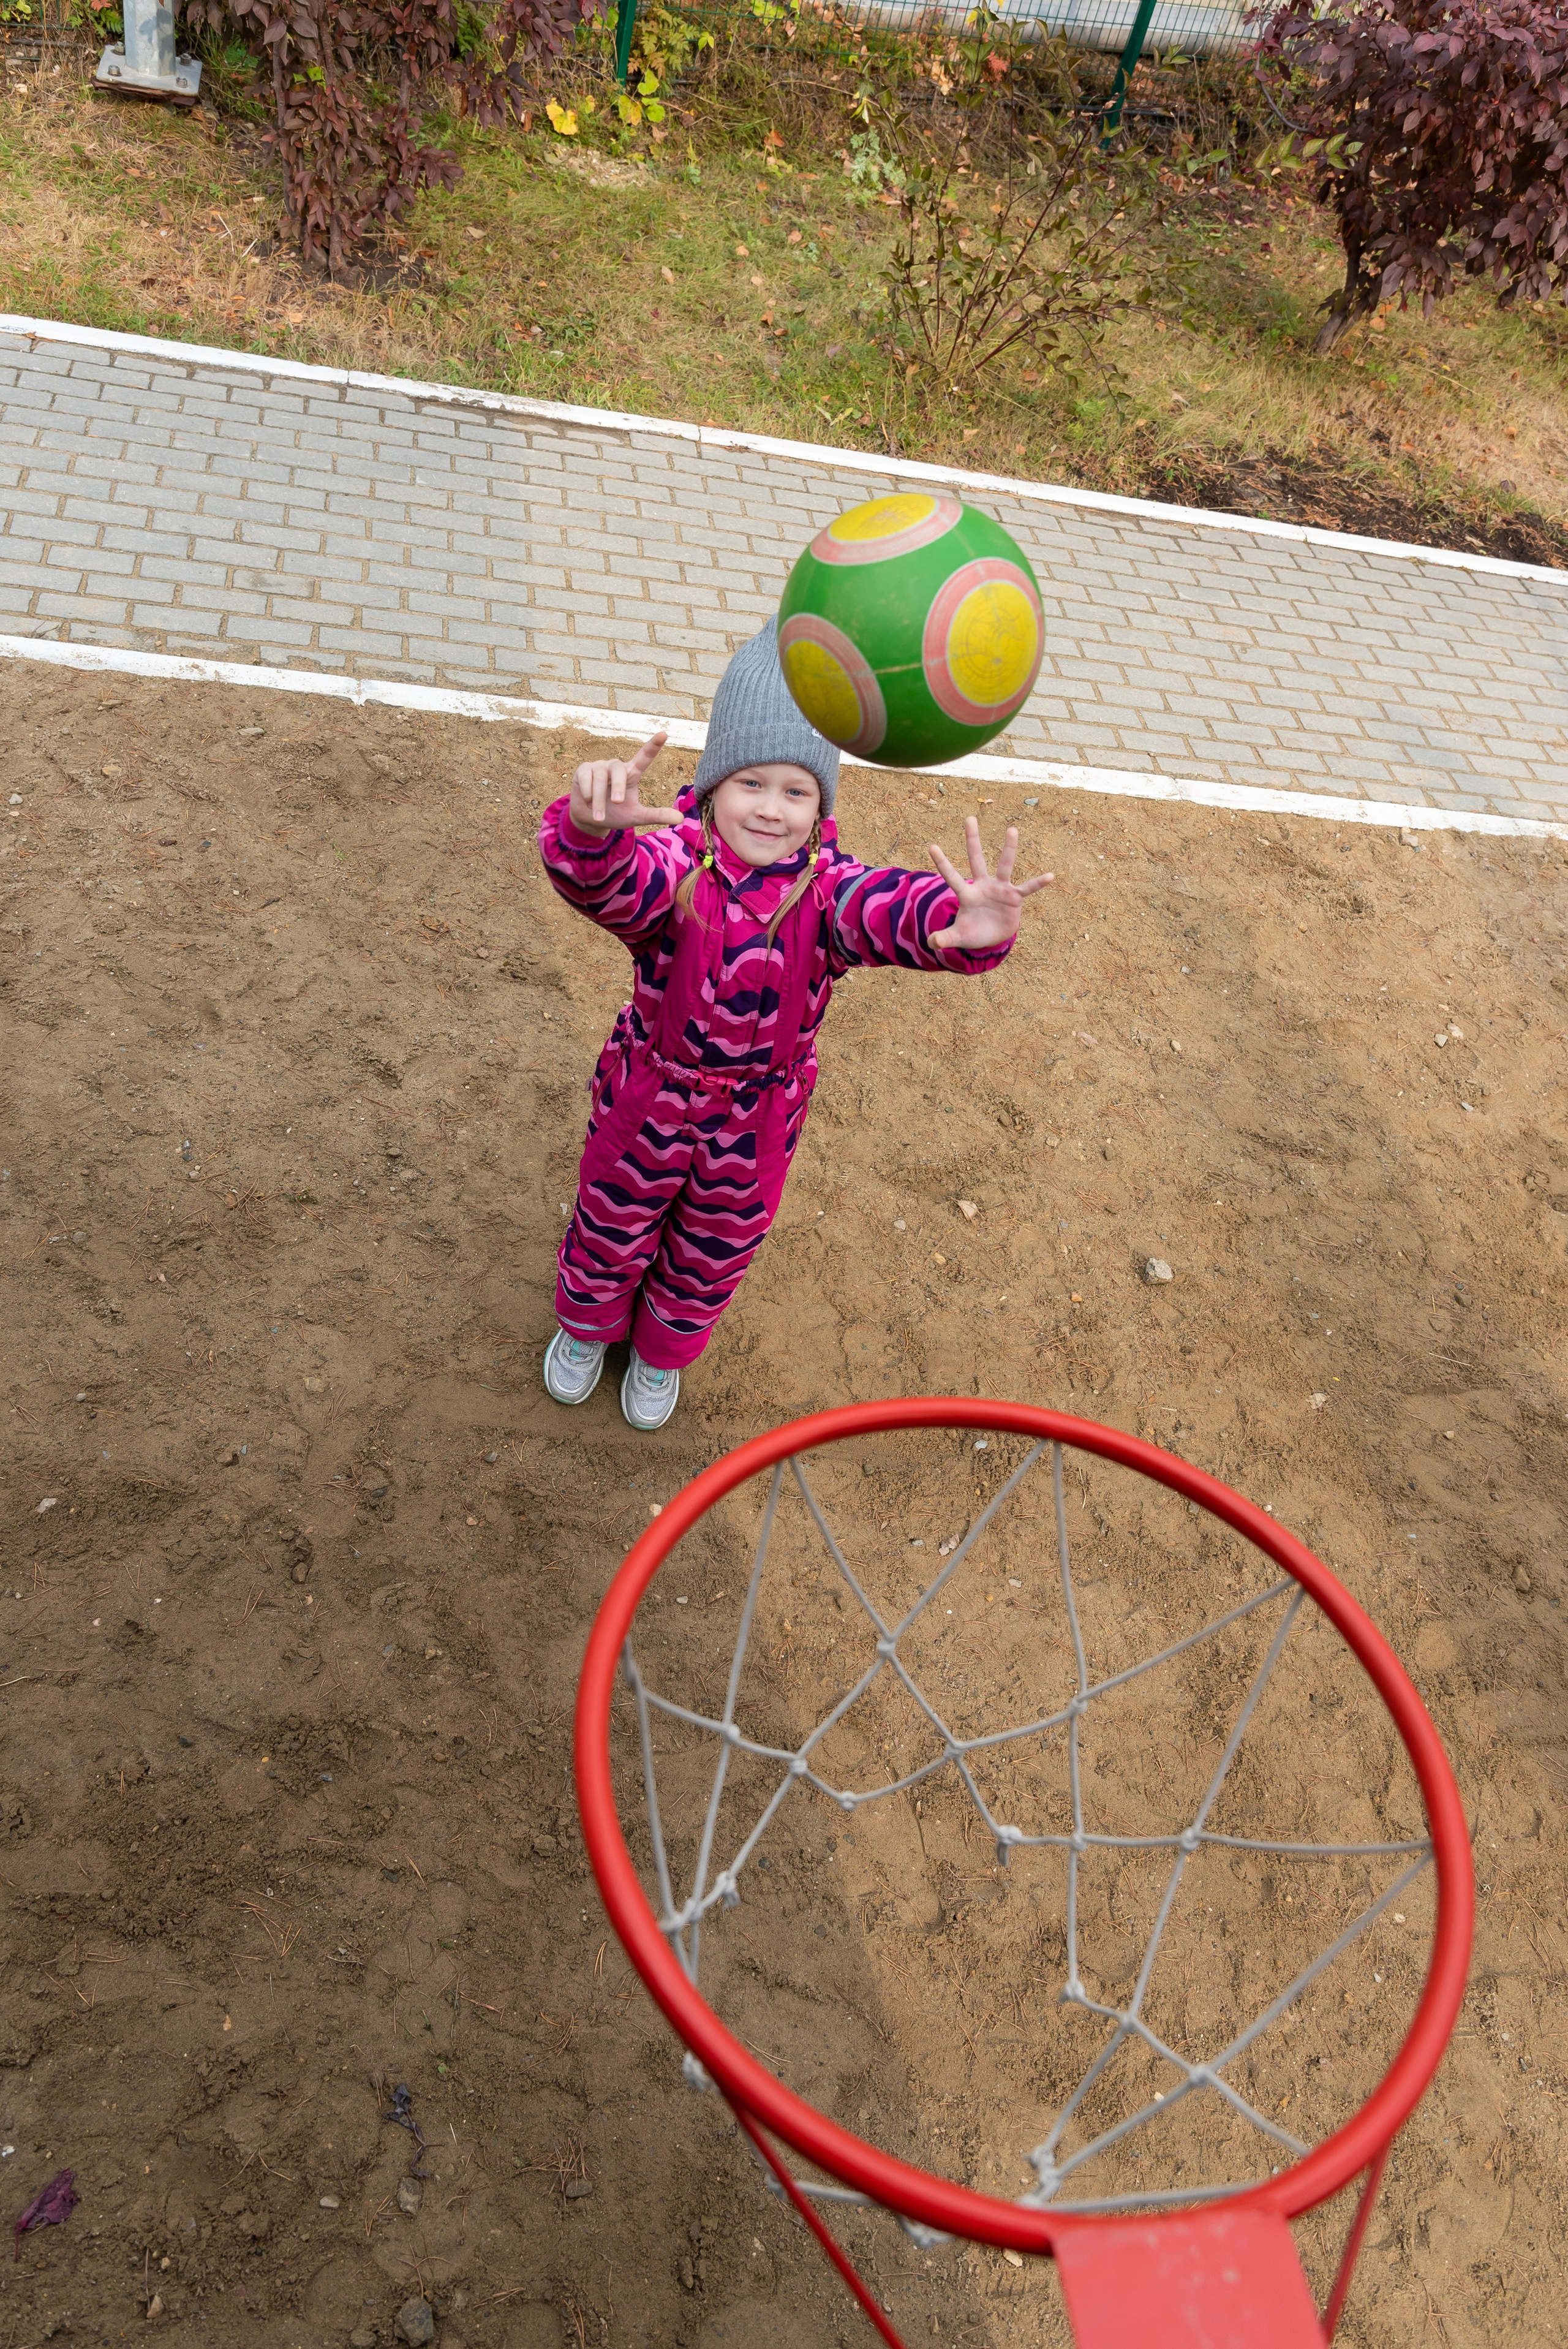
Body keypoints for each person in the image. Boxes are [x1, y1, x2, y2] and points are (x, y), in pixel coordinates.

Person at [536, 620, 1051, 1431]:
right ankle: (585, 1328)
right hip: (649, 1097)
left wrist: (959, 919)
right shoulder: (675, 861)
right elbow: (605, 885)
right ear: (712, 785)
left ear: (822, 803)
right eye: (751, 783)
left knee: (713, 1248)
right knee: (613, 1218)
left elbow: (891, 908)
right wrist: (592, 831)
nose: (772, 810)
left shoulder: (828, 892)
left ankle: (661, 1352)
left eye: (796, 790)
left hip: (756, 1121)